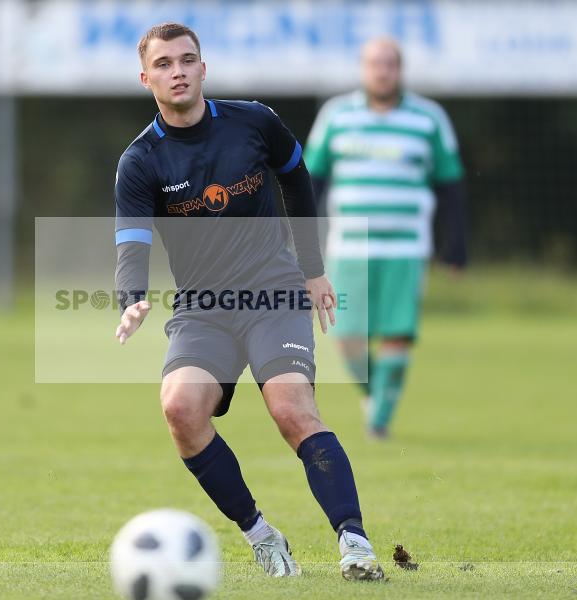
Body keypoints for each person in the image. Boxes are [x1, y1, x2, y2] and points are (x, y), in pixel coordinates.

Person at [113, 23, 384, 581]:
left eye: (188, 60)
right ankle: (261, 535)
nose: (178, 71)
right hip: (202, 308)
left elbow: (297, 180)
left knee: (290, 409)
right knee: (180, 408)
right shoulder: (140, 161)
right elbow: (132, 238)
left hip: (273, 293)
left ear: (204, 69)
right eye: (164, 64)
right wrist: (131, 296)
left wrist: (312, 270)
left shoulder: (254, 122)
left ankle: (355, 543)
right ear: (147, 79)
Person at [304, 37, 467, 439]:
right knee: (346, 338)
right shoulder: (336, 115)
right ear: (363, 69)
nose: (382, 71)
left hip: (406, 247)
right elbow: (311, 179)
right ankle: (375, 394)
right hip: (349, 247)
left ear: (400, 69)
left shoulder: (428, 119)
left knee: (397, 334)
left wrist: (456, 247)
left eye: (390, 63)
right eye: (375, 63)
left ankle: (379, 422)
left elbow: (451, 184)